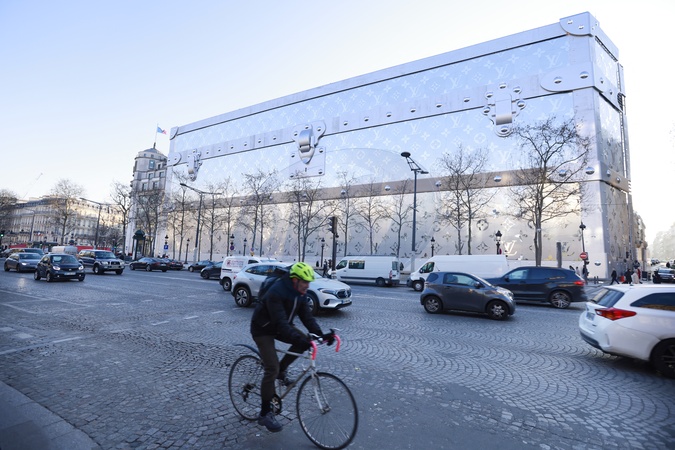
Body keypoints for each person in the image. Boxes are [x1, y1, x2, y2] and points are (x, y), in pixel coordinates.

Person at [250, 261, 334, 433]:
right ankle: (265, 413)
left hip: (280, 326)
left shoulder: (300, 293)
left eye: (309, 282)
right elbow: (281, 323)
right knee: (271, 369)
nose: (307, 286)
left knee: (304, 340)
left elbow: (307, 317)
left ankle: (282, 370)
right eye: (305, 282)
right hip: (263, 329)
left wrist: (321, 335)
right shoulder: (276, 292)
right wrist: (300, 341)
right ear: (295, 280)